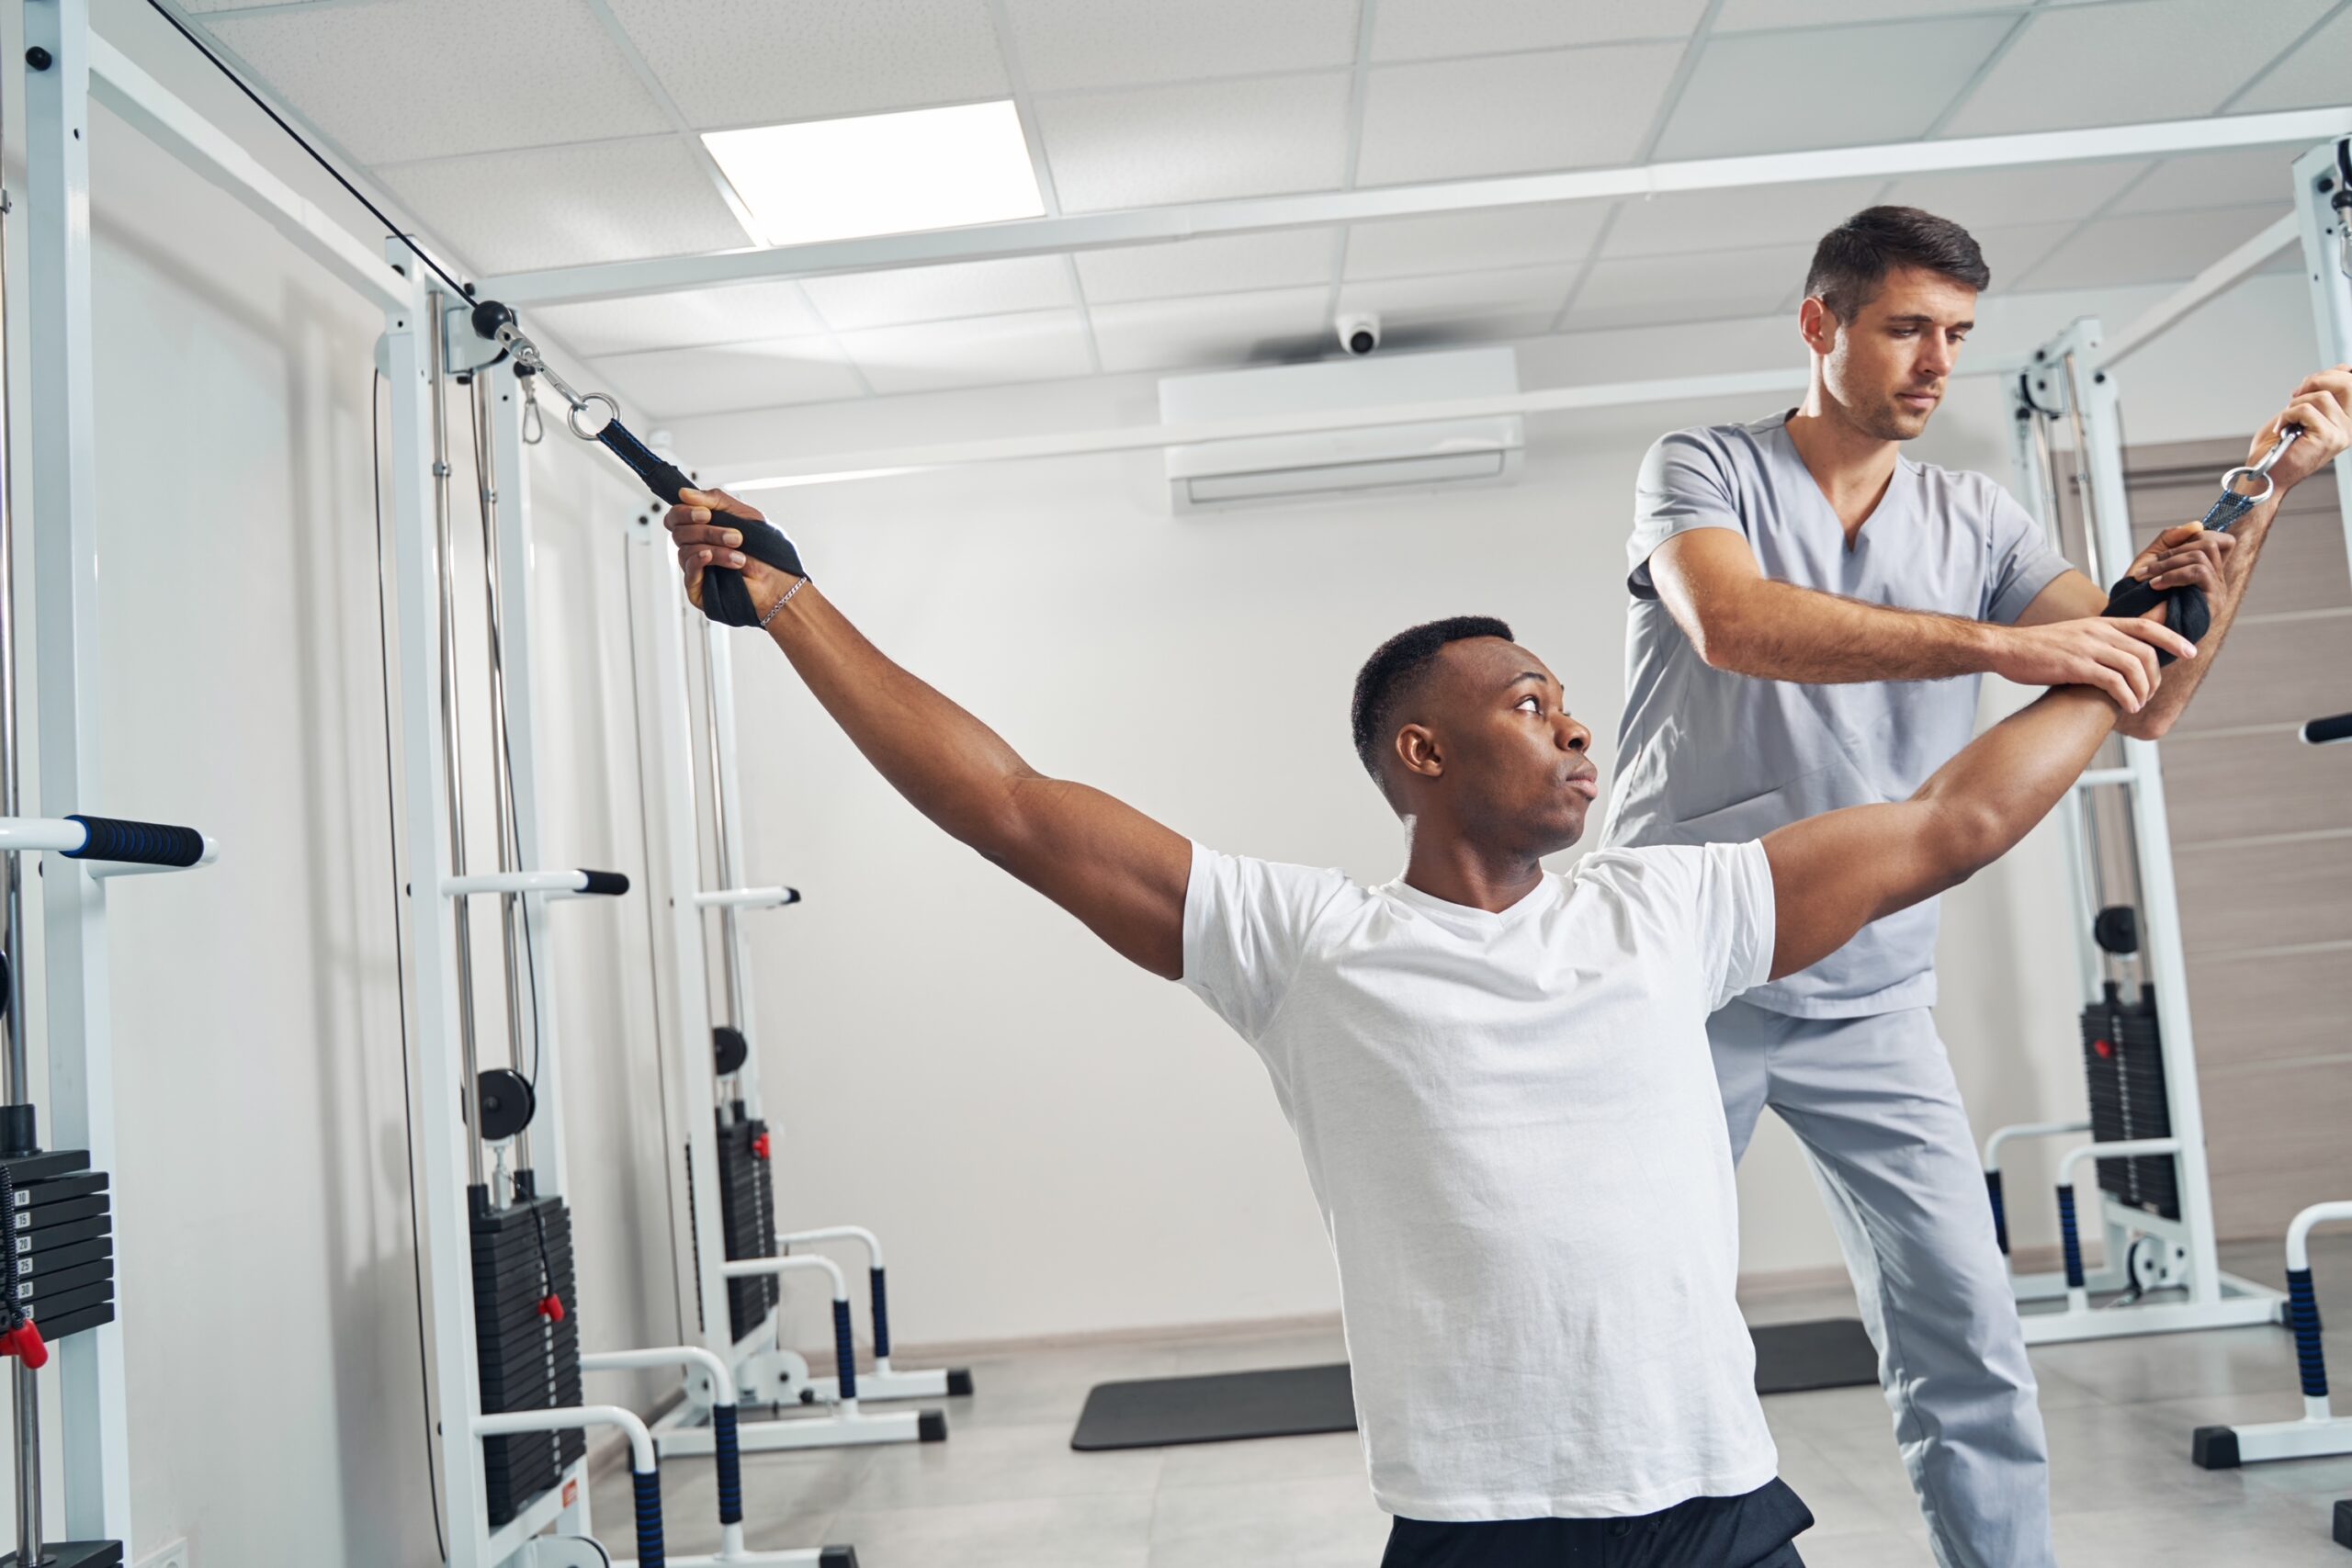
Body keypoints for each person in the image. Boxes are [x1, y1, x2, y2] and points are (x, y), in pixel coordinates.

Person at [659, 483, 2213, 1568]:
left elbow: (1949, 822)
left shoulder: (1672, 911)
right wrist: (791, 605)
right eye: (1534, 701)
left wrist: (2125, 638)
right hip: (1479, 1529)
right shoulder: (1305, 943)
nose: (1578, 722)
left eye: (1572, 702)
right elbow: (1006, 804)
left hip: (1717, 1509)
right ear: (1422, 751)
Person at [1602, 203, 2352, 1568]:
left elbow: (2142, 698)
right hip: (1682, 975)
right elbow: (1737, 622)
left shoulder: (1975, 515)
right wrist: (2001, 650)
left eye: (1955, 335)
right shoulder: (1701, 467)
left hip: (1869, 995)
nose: (1938, 364)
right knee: (1635, 1316)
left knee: (1970, 1337)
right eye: (1906, 329)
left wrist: (2263, 496)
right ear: (1821, 326)